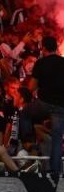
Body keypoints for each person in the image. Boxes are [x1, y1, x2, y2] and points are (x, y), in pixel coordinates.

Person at [31, 36, 64, 173]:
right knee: (57, 139)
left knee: (24, 115)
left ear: (43, 48)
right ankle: (55, 172)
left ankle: (27, 143)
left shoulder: (40, 63)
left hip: (43, 104)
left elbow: (32, 86)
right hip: (60, 106)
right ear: (56, 48)